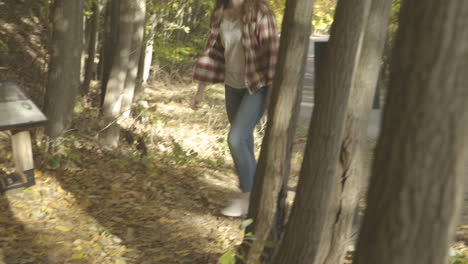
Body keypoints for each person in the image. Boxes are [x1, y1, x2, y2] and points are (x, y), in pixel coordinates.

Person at [191, 0, 279, 217]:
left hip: (257, 85)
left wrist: (273, 93)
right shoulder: (220, 13)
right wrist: (199, 91)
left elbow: (272, 54)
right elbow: (211, 52)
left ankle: (246, 198)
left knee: (236, 139)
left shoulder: (261, 13)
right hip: (232, 86)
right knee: (244, 141)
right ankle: (258, 195)